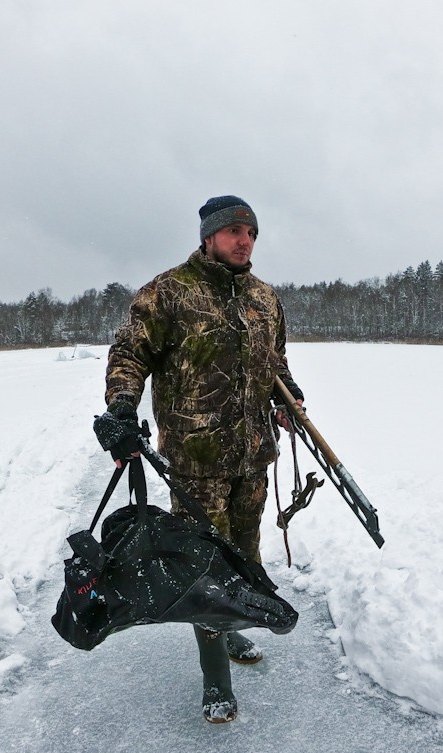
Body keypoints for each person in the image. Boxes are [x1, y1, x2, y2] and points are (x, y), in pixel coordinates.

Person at [99, 195, 304, 723]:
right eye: (235, 231)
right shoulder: (170, 292)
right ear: (210, 235)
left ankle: (232, 633)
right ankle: (216, 678)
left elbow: (273, 362)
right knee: (204, 570)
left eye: (252, 233)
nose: (245, 241)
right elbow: (129, 353)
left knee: (244, 556)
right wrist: (121, 406)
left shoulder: (264, 298)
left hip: (253, 456)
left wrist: (287, 396)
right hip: (195, 460)